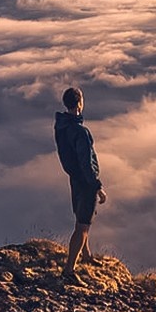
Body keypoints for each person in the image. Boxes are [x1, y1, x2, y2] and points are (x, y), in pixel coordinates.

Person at [54, 86, 106, 284]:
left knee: (82, 218)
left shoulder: (61, 125)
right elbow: (86, 162)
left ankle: (86, 255)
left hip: (74, 178)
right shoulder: (80, 132)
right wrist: (97, 186)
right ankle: (69, 270)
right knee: (83, 224)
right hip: (85, 181)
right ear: (79, 103)